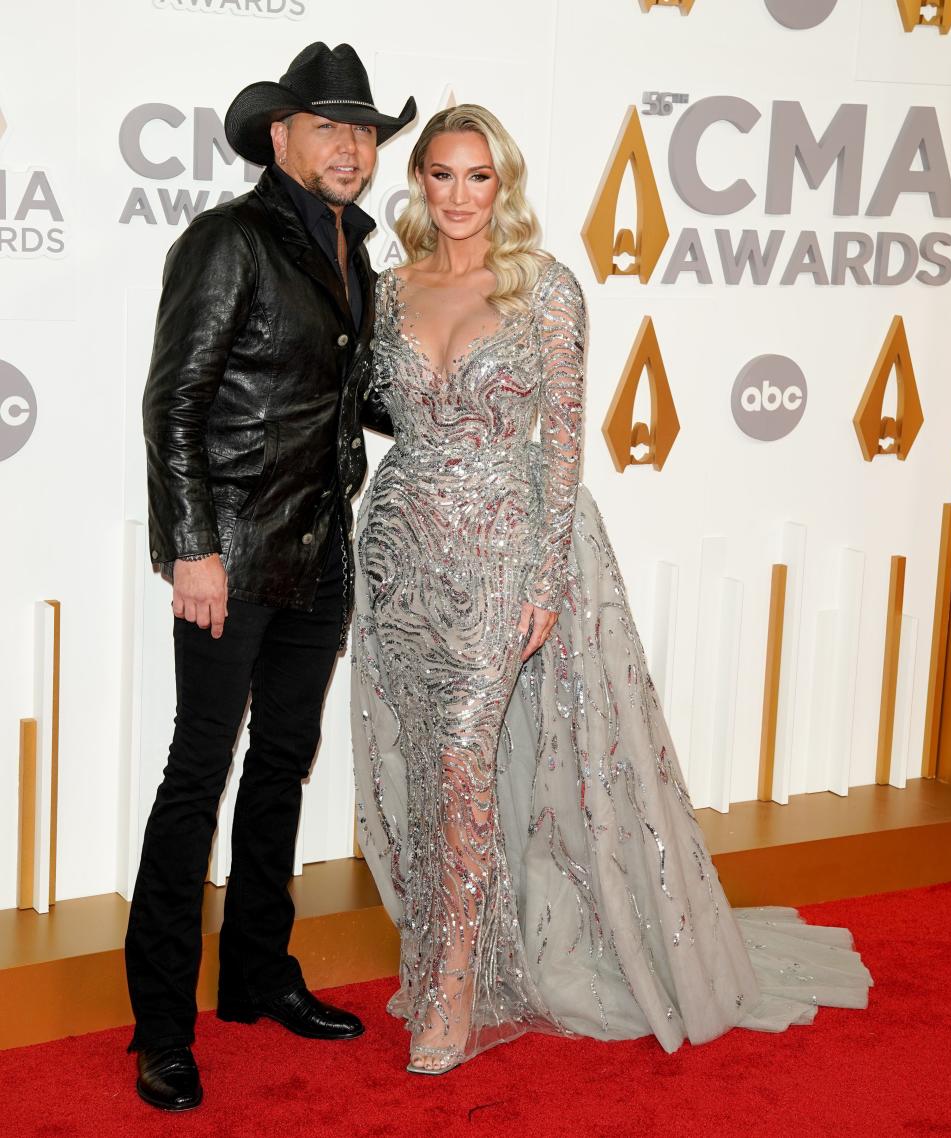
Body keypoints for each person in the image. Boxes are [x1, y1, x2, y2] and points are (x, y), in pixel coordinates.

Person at [351, 104, 873, 1076]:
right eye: (442, 175)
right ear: (417, 183)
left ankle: (455, 991)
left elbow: (564, 444)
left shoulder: (547, 290)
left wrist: (547, 573)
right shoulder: (384, 293)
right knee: (423, 766)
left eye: (479, 177)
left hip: (505, 549)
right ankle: (440, 951)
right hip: (400, 550)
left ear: (503, 185)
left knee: (464, 761)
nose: (460, 195)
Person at [126, 43, 412, 1111]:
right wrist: (191, 547)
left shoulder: (356, 253)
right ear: (280, 137)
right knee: (197, 774)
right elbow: (173, 403)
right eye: (329, 126)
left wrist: (473, 362)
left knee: (283, 764)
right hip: (232, 555)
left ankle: (255, 972)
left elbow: (368, 403)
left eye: (366, 130)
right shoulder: (228, 240)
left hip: (320, 553)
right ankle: (161, 1024)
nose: (352, 145)